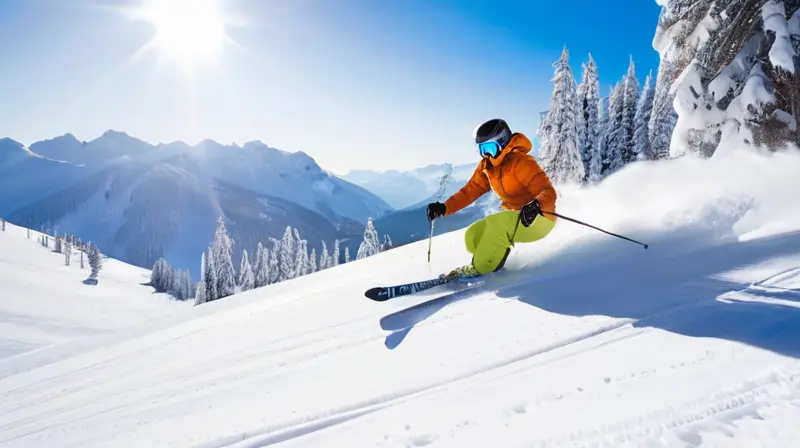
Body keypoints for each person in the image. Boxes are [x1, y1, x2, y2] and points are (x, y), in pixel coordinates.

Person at [426, 118, 558, 281]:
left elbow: (547, 191)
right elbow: (469, 191)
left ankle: (481, 268)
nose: (487, 155)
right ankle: (494, 257)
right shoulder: (487, 167)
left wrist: (536, 205)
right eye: (482, 150)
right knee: (473, 236)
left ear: (503, 142)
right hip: (513, 218)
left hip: (538, 219)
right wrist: (445, 208)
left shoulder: (522, 162)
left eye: (490, 148)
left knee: (497, 224)